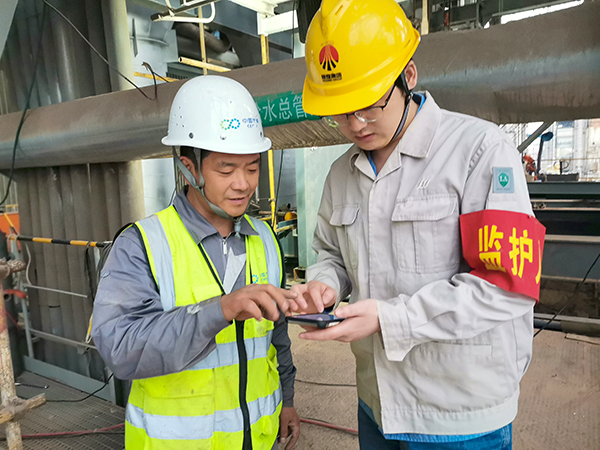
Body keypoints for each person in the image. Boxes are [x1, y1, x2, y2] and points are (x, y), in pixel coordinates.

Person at [290, 1, 545, 449]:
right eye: (341, 111)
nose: (355, 124)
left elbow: (506, 285)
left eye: (368, 105)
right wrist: (324, 286)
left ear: (408, 76)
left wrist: (390, 318)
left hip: (460, 416)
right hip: (377, 403)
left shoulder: (479, 152)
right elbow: (330, 254)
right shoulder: (340, 174)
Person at [92, 76, 300, 450]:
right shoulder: (141, 246)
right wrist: (218, 311)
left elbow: (276, 337)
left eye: (252, 168)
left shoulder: (265, 239)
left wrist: (287, 398)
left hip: (260, 439)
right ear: (189, 167)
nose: (243, 184)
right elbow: (121, 350)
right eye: (226, 170)